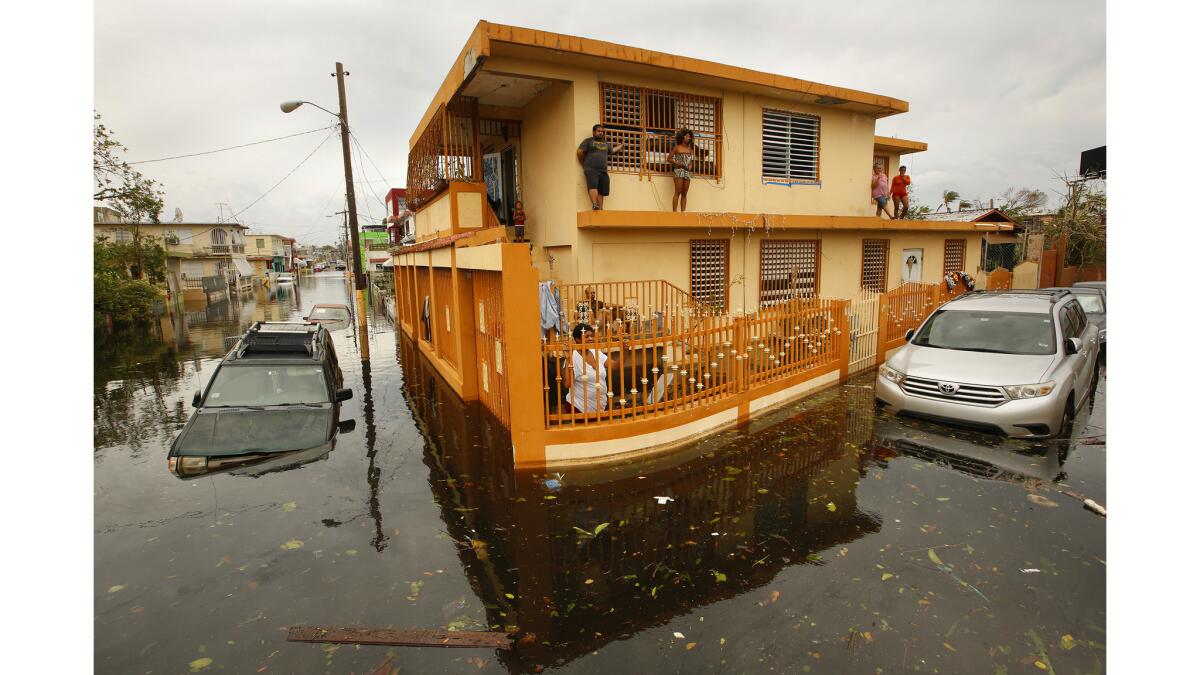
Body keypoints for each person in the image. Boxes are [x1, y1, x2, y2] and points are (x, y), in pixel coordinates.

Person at [563, 322, 629, 414]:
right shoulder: (572, 356)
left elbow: (615, 366)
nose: (590, 339)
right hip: (578, 407)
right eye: (586, 337)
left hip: (599, 406)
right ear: (577, 340)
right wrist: (567, 359)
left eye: (591, 336)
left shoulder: (595, 352)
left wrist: (625, 351)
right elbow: (567, 384)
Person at [577, 124, 625, 210]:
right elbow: (580, 152)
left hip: (603, 170)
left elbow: (612, 150)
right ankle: (595, 204)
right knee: (593, 186)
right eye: (599, 131)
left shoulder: (606, 143)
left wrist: (621, 146)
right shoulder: (588, 141)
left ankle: (601, 208)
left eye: (602, 131)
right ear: (593, 132)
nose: (601, 133)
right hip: (591, 169)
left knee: (601, 190)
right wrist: (583, 163)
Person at [669, 128, 694, 212]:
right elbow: (669, 158)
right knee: (678, 192)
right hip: (678, 170)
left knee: (685, 193)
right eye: (687, 136)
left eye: (690, 137)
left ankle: (683, 213)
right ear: (682, 137)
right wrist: (677, 163)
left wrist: (690, 166)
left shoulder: (690, 149)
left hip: (687, 172)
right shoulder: (677, 148)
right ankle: (675, 212)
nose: (689, 138)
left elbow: (690, 161)